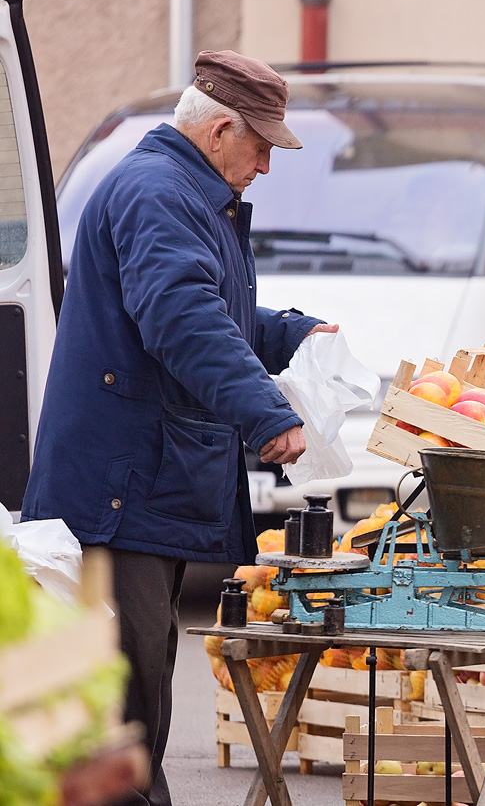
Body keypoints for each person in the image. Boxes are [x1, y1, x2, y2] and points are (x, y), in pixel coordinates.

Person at [22, 50, 334, 806]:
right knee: (123, 702)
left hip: (143, 485)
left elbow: (213, 309)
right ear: (222, 129)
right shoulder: (160, 193)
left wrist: (290, 333)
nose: (264, 165)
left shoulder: (185, 192)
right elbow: (182, 319)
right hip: (120, 493)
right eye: (261, 146)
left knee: (139, 683)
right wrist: (267, 414)